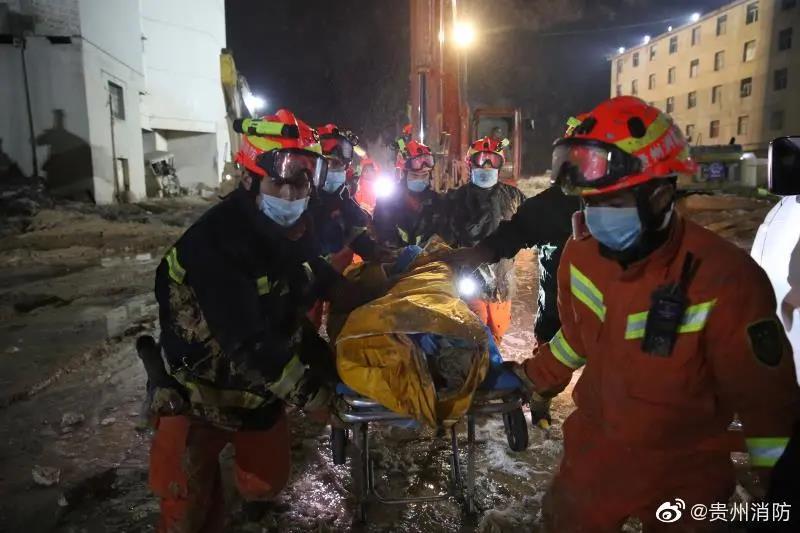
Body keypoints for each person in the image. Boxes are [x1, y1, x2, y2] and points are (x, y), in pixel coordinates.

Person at [509, 96, 800, 531]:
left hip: (687, 469)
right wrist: (533, 379)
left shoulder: (726, 279)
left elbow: (766, 402)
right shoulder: (581, 256)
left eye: (614, 202)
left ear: (662, 195)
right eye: (591, 202)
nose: (598, 217)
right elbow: (577, 337)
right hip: (595, 454)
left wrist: (780, 490)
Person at [148, 109, 346, 532]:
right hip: (195, 395)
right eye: (278, 183)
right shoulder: (217, 242)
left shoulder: (291, 232)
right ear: (249, 180)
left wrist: (362, 298)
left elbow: (309, 280)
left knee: (264, 484)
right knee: (185, 509)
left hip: (256, 395)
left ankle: (249, 497)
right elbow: (247, 343)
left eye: (301, 183)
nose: (291, 195)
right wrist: (314, 396)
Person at [442, 136, 525, 343]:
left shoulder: (514, 197)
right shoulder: (456, 199)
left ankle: (491, 362)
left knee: (496, 335)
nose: (486, 165)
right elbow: (444, 238)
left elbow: (531, 227)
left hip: (502, 285)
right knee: (475, 335)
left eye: (493, 160)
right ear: (470, 163)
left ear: (501, 164)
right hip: (469, 282)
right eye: (481, 159)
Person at [373, 140, 446, 248]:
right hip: (395, 257)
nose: (420, 179)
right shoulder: (386, 203)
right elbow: (383, 235)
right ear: (404, 175)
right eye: (415, 176)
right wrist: (399, 254)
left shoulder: (437, 202)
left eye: (424, 175)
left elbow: (442, 237)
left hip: (429, 258)